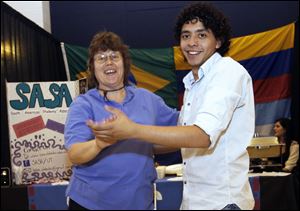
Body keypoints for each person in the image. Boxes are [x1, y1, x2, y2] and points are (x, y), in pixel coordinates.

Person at [88, 2, 255, 210]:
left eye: (201, 35)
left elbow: (201, 136)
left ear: (218, 41)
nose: (192, 42)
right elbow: (182, 140)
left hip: (222, 203)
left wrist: (133, 130)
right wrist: (121, 140)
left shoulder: (227, 72)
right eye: (186, 36)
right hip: (195, 201)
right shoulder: (194, 83)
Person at [64, 31, 178, 210]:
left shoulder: (148, 99)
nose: (108, 62)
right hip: (90, 203)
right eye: (101, 58)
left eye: (114, 56)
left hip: (139, 202)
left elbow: (181, 131)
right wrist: (99, 144)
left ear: (124, 63)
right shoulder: (83, 104)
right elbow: (75, 154)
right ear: (92, 68)